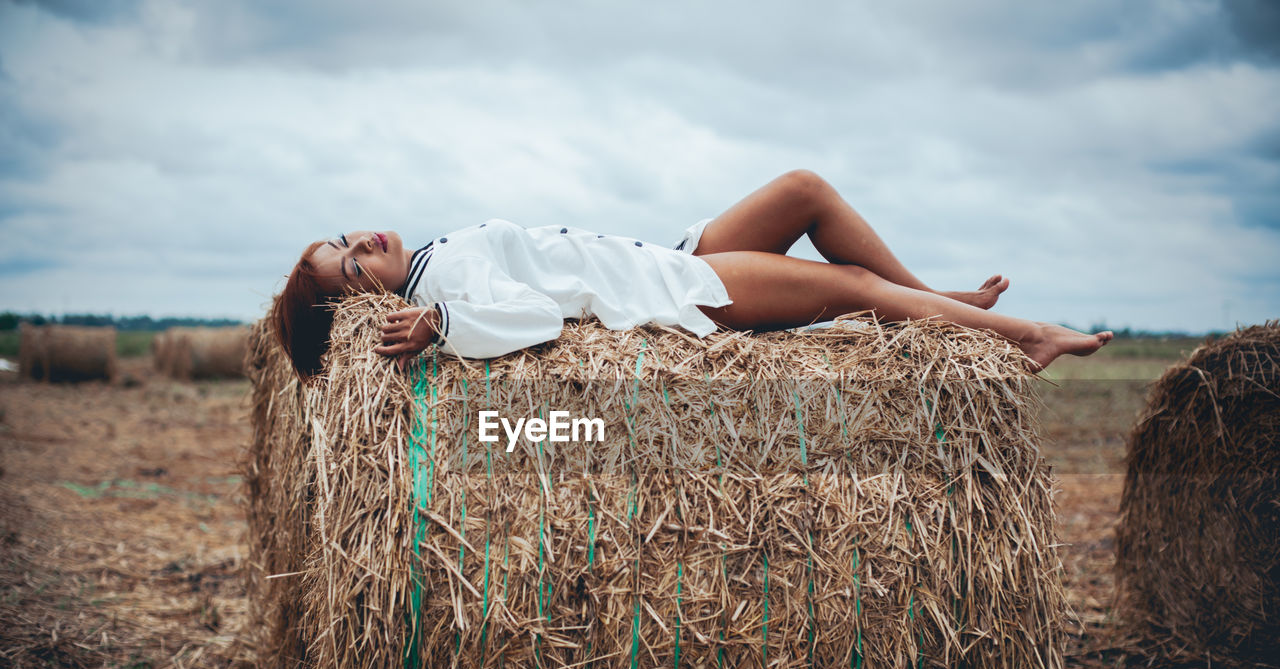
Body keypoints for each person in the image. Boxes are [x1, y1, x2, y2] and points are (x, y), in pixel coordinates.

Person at [272, 170, 1111, 378]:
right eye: (349, 263)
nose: (363, 240)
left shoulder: (430, 258)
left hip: (666, 255)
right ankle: (1026, 337)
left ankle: (935, 298)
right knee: (852, 293)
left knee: (804, 192)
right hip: (676, 296)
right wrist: (442, 328)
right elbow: (538, 322)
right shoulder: (436, 293)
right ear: (360, 304)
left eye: (346, 235)